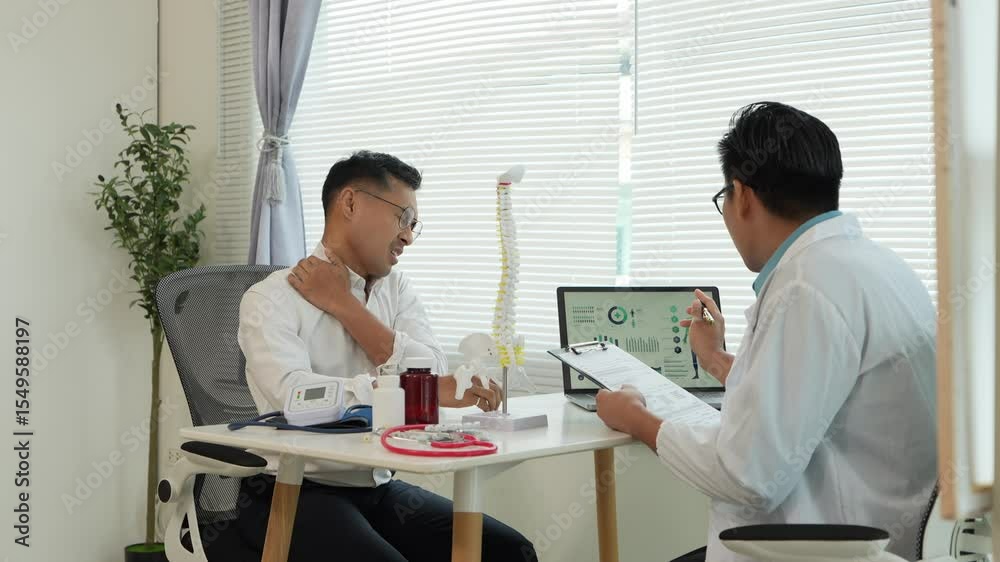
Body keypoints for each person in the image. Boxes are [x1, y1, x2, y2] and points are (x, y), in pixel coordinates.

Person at [595, 102, 937, 562]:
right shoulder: (876, 265)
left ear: (742, 195)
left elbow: (746, 476)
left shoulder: (805, 287)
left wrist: (637, 419)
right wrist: (717, 361)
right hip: (885, 535)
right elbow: (820, 395)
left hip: (819, 547)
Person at [230, 151, 537, 561]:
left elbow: (434, 372)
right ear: (351, 203)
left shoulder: (397, 290)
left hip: (376, 487)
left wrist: (345, 306)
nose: (408, 236)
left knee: (510, 551)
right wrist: (406, 389)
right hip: (292, 488)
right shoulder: (271, 298)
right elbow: (296, 399)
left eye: (414, 225)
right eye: (403, 218)